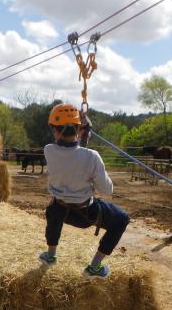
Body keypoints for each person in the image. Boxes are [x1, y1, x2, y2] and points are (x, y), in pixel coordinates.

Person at [38, 103, 130, 279]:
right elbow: (106, 190)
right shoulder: (92, 156)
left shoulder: (48, 150)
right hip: (87, 214)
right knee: (122, 219)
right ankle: (95, 267)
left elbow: (71, 152)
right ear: (79, 130)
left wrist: (81, 131)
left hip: (60, 210)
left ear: (54, 130)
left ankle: (50, 255)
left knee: (53, 209)